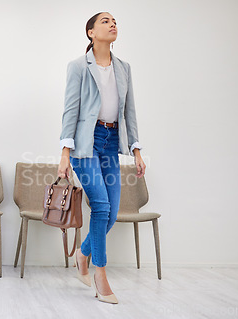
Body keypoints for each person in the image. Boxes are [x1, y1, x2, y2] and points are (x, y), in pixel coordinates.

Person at [58, 12, 146, 304]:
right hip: (86, 144)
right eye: (105, 21)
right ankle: (100, 274)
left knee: (110, 213)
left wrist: (136, 151)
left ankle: (83, 255)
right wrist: (65, 154)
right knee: (101, 206)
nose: (112, 24)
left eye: (115, 21)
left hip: (111, 142)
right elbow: (71, 110)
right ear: (91, 32)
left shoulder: (124, 68)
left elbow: (129, 111)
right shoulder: (78, 67)